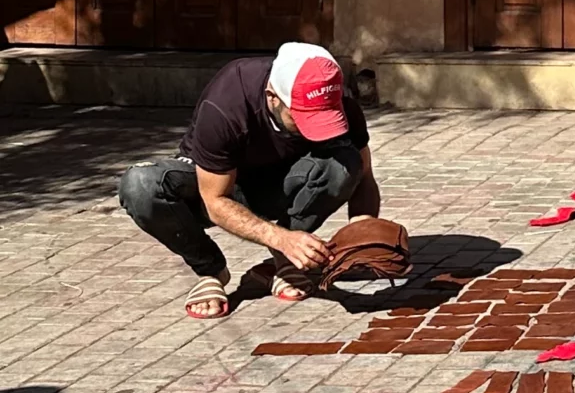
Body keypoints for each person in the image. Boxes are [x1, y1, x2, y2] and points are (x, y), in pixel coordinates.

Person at [119, 43, 381, 320]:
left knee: (348, 162)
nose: (314, 127)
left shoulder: (337, 100)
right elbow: (215, 200)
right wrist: (280, 237)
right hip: (216, 186)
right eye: (302, 116)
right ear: (273, 97)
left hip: (282, 184)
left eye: (324, 116)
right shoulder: (227, 103)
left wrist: (362, 237)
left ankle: (284, 259)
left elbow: (364, 175)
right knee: (140, 185)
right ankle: (211, 270)